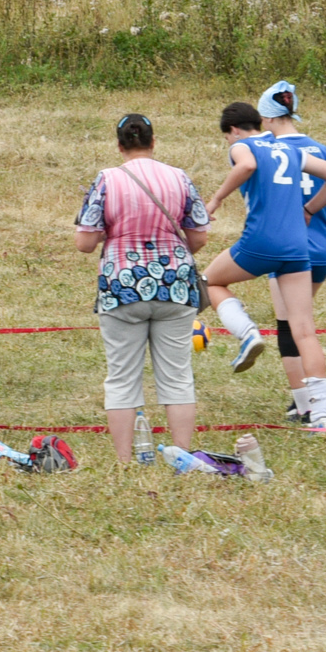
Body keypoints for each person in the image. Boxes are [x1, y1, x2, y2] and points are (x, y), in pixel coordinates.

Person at [74, 113, 210, 462]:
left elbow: (84, 243)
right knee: (177, 376)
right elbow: (199, 236)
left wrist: (113, 235)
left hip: (122, 286)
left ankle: (124, 460)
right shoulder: (179, 178)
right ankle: (182, 457)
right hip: (175, 286)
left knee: (121, 378)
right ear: (153, 142)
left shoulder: (107, 180)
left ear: (119, 146)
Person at [200, 100, 326, 428]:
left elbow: (245, 166)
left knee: (210, 281)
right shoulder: (287, 148)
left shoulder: (242, 146)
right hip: (297, 247)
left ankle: (247, 334)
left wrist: (215, 200)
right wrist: (310, 210)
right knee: (304, 329)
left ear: (232, 130)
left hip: (260, 242)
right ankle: (322, 416)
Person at [254, 82, 326, 431]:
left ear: (267, 117)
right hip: (320, 248)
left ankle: (306, 402)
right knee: (301, 323)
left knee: (290, 327)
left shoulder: (266, 151)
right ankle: (309, 399)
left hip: (285, 247)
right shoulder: (321, 150)